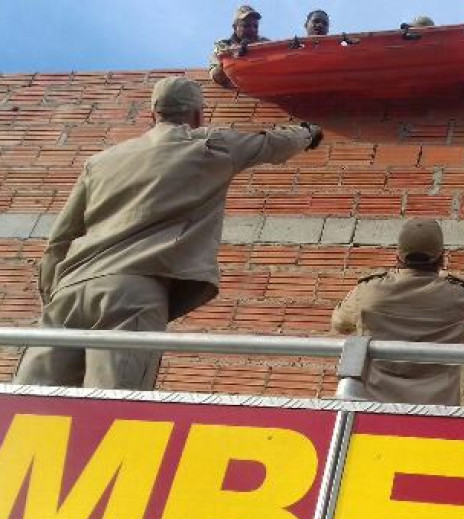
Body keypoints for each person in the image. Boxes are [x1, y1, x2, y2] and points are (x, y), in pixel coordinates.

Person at [14, 77, 323, 390]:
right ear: (198, 115)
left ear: (153, 114)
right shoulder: (210, 145)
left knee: (27, 408)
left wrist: (53, 295)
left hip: (67, 292)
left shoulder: (101, 161)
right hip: (130, 292)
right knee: (109, 408)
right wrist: (308, 132)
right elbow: (272, 144)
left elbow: (58, 241)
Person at [332, 219, 464, 405]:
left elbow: (339, 322)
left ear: (398, 256)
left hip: (375, 410)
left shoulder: (369, 292)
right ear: (442, 257)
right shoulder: (459, 296)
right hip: (433, 416)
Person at [209, 5, 270, 89]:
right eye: (246, 26)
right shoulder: (223, 47)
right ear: (235, 27)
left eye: (255, 26)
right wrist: (233, 58)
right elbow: (216, 76)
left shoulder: (266, 45)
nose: (252, 29)